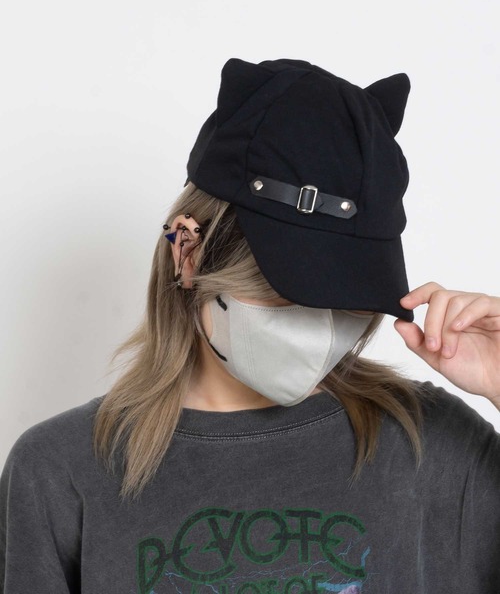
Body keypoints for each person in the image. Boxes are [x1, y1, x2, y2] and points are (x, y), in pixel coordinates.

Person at [0, 57, 499, 594]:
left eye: (350, 301)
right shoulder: (59, 472)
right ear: (188, 252)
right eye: (289, 294)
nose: (323, 332)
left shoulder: (432, 444)